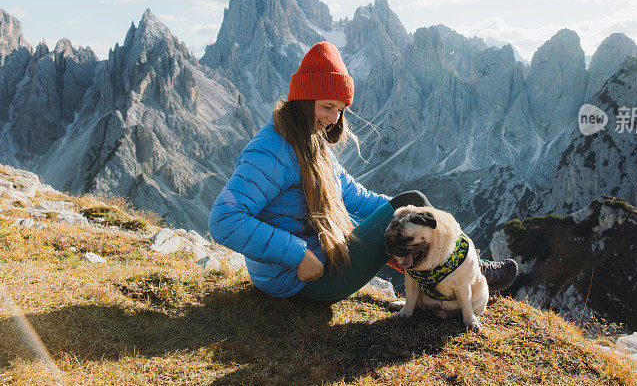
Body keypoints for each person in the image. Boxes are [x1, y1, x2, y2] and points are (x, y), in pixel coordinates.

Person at [208, 41, 517, 304]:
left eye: (340, 109)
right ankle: (470, 270)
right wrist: (298, 255)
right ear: (303, 99)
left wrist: (395, 210)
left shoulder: (308, 141)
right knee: (412, 205)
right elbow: (224, 219)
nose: (334, 119)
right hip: (300, 279)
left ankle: (467, 265)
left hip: (314, 263)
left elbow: (355, 196)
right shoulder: (272, 149)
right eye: (327, 106)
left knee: (411, 206)